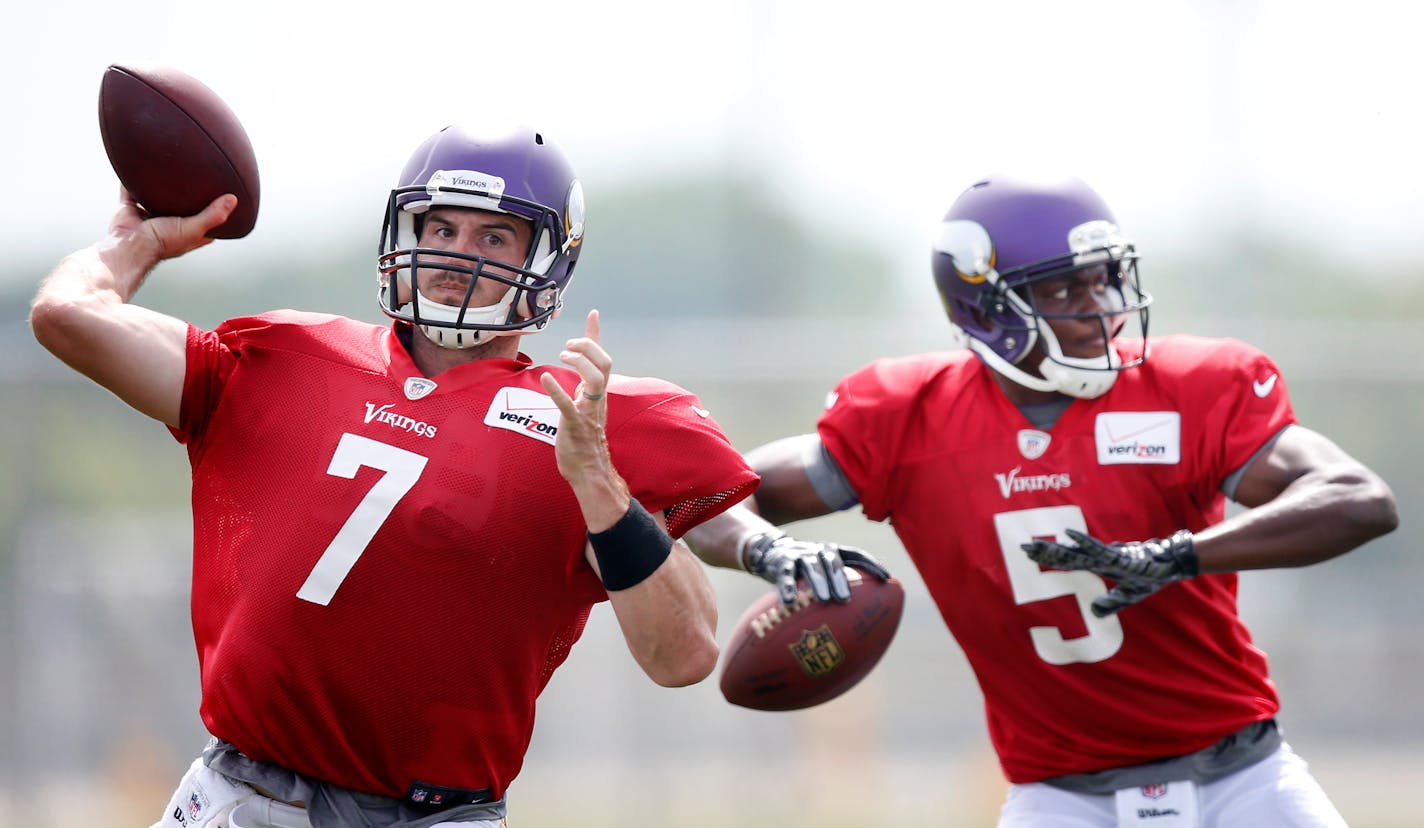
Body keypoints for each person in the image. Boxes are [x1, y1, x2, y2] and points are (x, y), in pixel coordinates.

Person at [29, 124, 758, 828]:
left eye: (493, 235)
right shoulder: (291, 358)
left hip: (436, 814)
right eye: (441, 229)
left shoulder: (579, 419)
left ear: (550, 261)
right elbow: (68, 314)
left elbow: (684, 655)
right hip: (238, 793)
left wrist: (600, 482)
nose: (456, 254)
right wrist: (136, 243)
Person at [686, 174, 1398, 827]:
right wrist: (770, 550)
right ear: (984, 308)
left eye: (1104, 280)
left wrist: (1178, 556)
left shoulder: (1192, 386)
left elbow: (1359, 498)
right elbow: (708, 498)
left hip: (1242, 781)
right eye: (1062, 291)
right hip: (1059, 799)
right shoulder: (908, 416)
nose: (1098, 311)